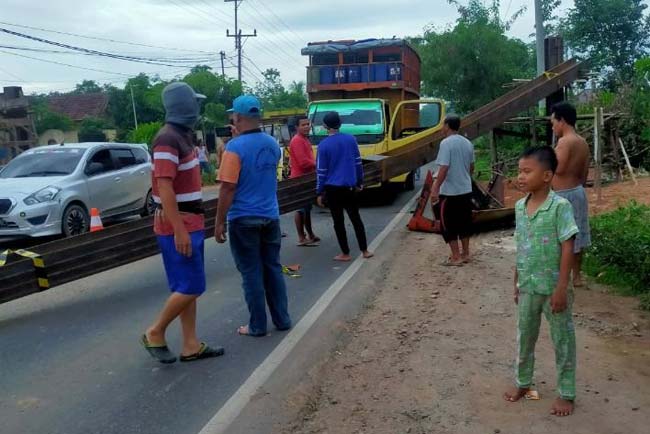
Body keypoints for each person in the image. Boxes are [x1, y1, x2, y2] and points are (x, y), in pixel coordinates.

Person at [141, 82, 224, 364]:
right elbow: (164, 187)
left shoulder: (181, 136)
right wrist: (179, 230)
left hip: (191, 219)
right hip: (179, 222)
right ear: (184, 106)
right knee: (191, 286)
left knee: (187, 286)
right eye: (195, 103)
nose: (197, 109)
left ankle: (190, 344)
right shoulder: (167, 139)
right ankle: (155, 331)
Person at [504, 146, 579, 417]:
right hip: (527, 287)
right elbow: (521, 246)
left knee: (563, 340)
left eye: (527, 171)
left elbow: (569, 246)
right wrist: (516, 282)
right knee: (525, 337)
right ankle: (523, 382)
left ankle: (566, 393)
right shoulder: (519, 207)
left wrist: (561, 287)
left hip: (553, 289)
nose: (520, 177)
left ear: (547, 175)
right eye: (519, 171)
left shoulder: (560, 207)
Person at [214, 94, 291, 337]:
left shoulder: (233, 148)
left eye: (233, 115)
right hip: (270, 216)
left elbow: (227, 187)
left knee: (251, 273)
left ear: (237, 117)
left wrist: (218, 222)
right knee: (273, 268)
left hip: (243, 218)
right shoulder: (271, 143)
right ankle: (282, 319)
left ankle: (257, 325)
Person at [316, 111, 373, 262]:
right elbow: (358, 163)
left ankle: (345, 253)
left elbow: (321, 172)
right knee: (356, 218)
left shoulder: (323, 146)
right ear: (340, 124)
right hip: (350, 187)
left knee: (338, 222)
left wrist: (319, 192)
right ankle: (365, 250)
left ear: (325, 126)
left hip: (333, 189)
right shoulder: (351, 140)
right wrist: (360, 181)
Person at [550, 102, 592, 288]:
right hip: (578, 191)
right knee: (578, 235)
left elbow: (558, 169)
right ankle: (577, 276)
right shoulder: (582, 142)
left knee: (562, 237)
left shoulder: (564, 142)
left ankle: (563, 276)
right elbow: (584, 173)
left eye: (553, 122)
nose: (553, 126)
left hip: (563, 195)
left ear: (562, 120)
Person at [430, 114, 475, 266]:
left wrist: (435, 189)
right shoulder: (468, 143)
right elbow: (471, 168)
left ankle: (455, 257)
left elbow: (444, 168)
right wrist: (463, 178)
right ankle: (466, 253)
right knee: (464, 223)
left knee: (448, 225)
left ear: (448, 126)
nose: (442, 128)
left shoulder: (446, 143)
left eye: (443, 125)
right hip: (465, 190)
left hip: (450, 192)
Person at [289, 115, 320, 246]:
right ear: (297, 127)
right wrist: (317, 163)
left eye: (308, 124)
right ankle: (301, 237)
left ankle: (310, 234)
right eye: (303, 125)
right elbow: (303, 163)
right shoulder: (297, 140)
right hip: (299, 180)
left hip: (307, 179)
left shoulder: (304, 139)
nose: (307, 126)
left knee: (307, 208)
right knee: (300, 209)